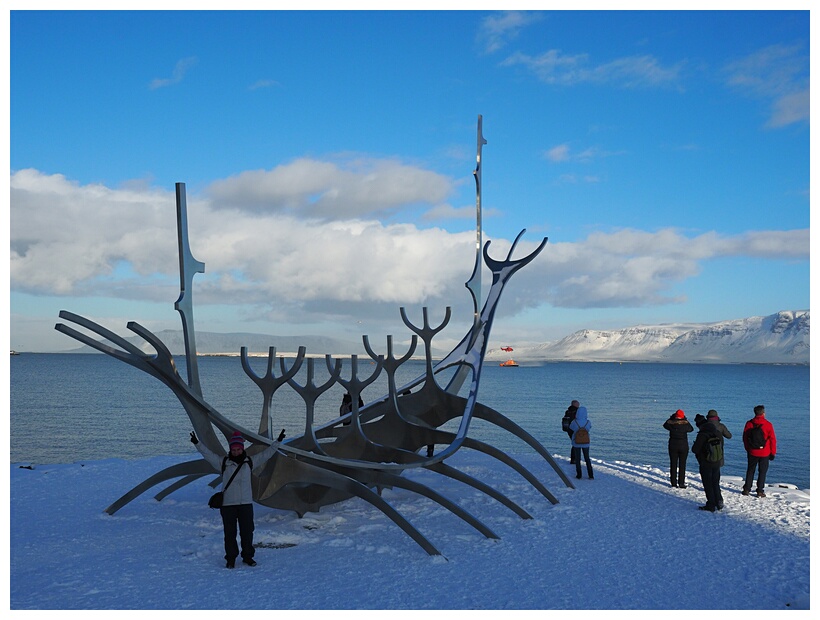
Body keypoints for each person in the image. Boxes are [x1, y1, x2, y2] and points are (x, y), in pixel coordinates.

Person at [190, 430, 282, 568]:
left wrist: (278, 442)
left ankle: (248, 557)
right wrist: (197, 443)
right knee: (230, 533)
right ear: (230, 449)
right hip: (228, 505)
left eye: (238, 449)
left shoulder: (250, 462)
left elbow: (266, 454)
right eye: (234, 449)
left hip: (245, 503)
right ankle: (231, 558)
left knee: (247, 532)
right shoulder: (223, 463)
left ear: (242, 449)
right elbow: (208, 455)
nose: (236, 452)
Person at [741, 405, 777, 498]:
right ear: (763, 413)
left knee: (750, 470)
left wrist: (748, 448)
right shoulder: (768, 424)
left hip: (752, 451)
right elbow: (773, 439)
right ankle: (760, 491)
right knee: (762, 472)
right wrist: (773, 452)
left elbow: (745, 438)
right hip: (765, 452)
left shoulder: (749, 423)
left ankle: (746, 489)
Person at [691, 414, 724, 512]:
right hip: (717, 461)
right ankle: (719, 501)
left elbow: (695, 449)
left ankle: (711, 504)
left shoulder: (702, 434)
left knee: (708, 484)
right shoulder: (717, 432)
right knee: (715, 482)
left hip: (706, 463)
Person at [663, 409, 693, 488]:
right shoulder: (685, 424)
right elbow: (691, 429)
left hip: (673, 446)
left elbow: (665, 424)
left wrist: (672, 418)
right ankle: (681, 483)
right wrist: (685, 419)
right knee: (682, 465)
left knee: (673, 464)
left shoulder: (671, 424)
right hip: (683, 446)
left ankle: (673, 482)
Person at [569, 405, 593, 479]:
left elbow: (571, 427)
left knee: (578, 459)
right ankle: (590, 474)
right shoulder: (588, 422)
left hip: (576, 442)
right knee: (587, 458)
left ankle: (579, 474)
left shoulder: (575, 422)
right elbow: (589, 428)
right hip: (586, 442)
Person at [561, 400, 579, 464]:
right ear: (575, 405)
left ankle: (574, 458)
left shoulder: (567, 411)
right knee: (576, 443)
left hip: (569, 429)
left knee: (574, 443)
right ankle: (574, 459)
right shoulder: (577, 411)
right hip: (575, 429)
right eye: (578, 404)